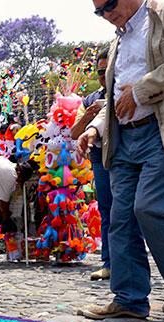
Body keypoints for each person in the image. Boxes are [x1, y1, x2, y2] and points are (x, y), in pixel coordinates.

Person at [78, 0, 164, 319]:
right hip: (124, 138)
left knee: (150, 207)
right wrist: (97, 129)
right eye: (98, 11)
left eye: (109, 5)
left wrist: (143, 90)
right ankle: (129, 298)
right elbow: (115, 98)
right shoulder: (118, 40)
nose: (106, 14)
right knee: (120, 219)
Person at [71, 50, 113, 281]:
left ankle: (131, 261)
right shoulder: (90, 99)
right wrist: (88, 116)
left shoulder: (126, 90)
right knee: (106, 210)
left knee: (131, 211)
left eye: (107, 70)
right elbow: (74, 132)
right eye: (99, 72)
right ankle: (108, 262)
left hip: (126, 156)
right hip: (100, 159)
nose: (103, 76)